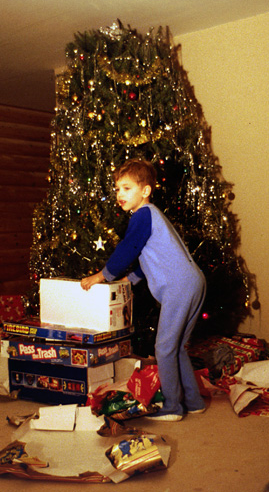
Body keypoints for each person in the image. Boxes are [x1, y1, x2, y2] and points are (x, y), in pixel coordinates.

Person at [81, 158, 206, 421]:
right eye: (117, 189)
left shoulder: (143, 214)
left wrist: (102, 275)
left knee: (163, 348)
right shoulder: (154, 217)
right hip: (193, 281)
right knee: (178, 347)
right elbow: (154, 257)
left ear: (145, 191)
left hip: (179, 286)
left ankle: (173, 407)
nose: (119, 195)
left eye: (126, 188)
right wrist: (131, 279)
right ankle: (194, 401)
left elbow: (129, 248)